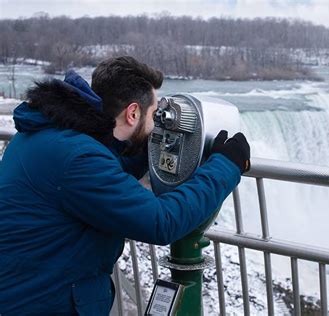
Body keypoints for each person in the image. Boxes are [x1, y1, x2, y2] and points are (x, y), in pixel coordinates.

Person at [0, 56, 250, 315]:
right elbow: (160, 222)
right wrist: (226, 166)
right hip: (39, 302)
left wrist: (148, 151)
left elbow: (105, 179)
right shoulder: (78, 159)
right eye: (154, 114)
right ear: (132, 113)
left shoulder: (50, 135)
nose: (157, 124)